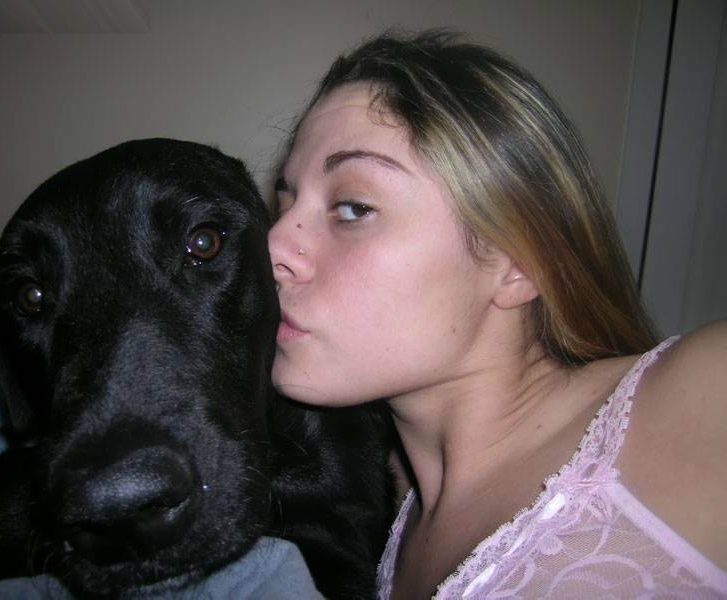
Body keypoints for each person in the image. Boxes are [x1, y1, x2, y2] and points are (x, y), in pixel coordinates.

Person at [269, 30, 727, 599]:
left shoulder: (701, 395)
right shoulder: (369, 508)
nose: (273, 244)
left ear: (517, 262)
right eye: (285, 199)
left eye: (353, 207)